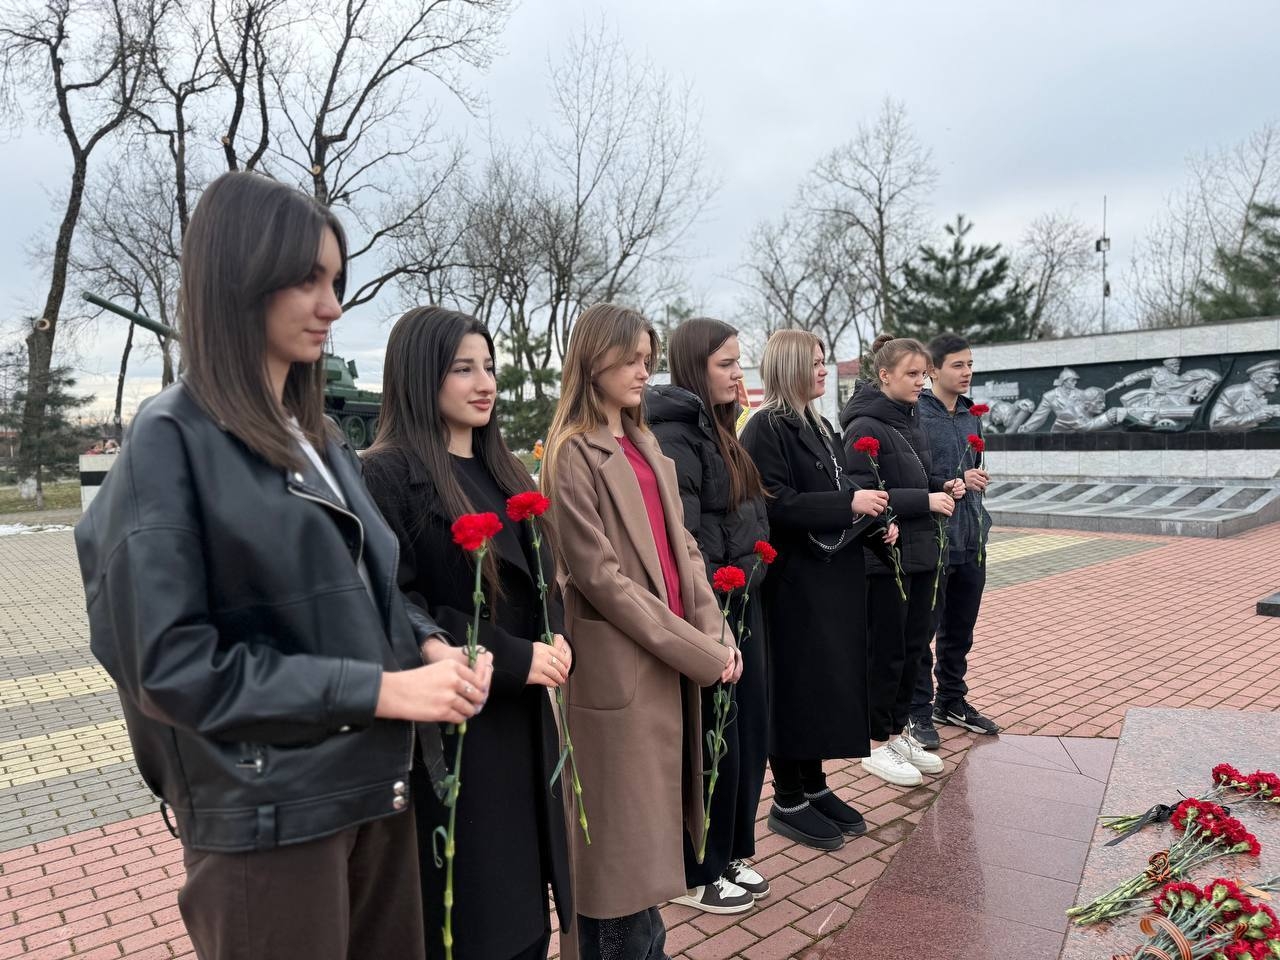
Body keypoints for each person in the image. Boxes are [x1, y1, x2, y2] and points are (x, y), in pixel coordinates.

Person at [73, 171, 492, 960]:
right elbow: (170, 666)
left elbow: (371, 589)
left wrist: (427, 644)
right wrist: (382, 689)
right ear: (240, 276)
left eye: (335, 281)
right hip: (269, 825)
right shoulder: (171, 440)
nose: (331, 306)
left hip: (373, 795)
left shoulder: (321, 441)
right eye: (307, 280)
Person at [362, 306, 574, 960]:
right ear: (420, 374)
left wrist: (558, 636)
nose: (485, 384)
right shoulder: (386, 474)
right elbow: (393, 601)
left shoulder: (503, 467)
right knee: (480, 920)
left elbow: (541, 575)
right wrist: (512, 657)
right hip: (460, 727)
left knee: (528, 913)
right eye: (463, 369)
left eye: (488, 367)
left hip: (526, 723)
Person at [543, 303, 742, 960]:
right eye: (629, 358)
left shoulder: (646, 444)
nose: (642, 371)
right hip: (620, 672)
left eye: (647, 359)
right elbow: (601, 579)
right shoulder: (572, 453)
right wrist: (699, 651)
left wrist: (717, 631)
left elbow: (685, 550)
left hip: (667, 661)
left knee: (650, 853)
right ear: (592, 358)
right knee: (616, 862)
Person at [739, 330, 898, 851]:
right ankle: (787, 799)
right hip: (794, 584)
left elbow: (838, 487)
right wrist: (848, 505)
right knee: (796, 689)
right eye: (814, 362)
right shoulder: (766, 426)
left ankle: (813, 785)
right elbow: (773, 502)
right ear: (789, 367)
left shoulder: (819, 423)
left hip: (828, 579)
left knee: (820, 686)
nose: (824, 369)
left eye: (824, 360)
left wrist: (875, 521)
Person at [647, 317, 770, 915]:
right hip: (711, 609)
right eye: (726, 363)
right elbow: (686, 537)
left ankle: (730, 851)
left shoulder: (722, 429)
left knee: (745, 736)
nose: (738, 374)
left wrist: (755, 563)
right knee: (712, 743)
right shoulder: (676, 437)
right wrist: (726, 584)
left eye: (740, 361)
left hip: (744, 599)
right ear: (696, 366)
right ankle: (698, 868)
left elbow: (750, 512)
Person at [841, 334, 963, 787]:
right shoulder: (864, 427)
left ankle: (897, 734)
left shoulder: (909, 420)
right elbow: (865, 494)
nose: (920, 382)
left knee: (913, 651)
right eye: (911, 374)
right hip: (887, 558)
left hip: (920, 554)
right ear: (884, 375)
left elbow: (915, 476)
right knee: (887, 655)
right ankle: (876, 744)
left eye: (923, 374)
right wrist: (926, 500)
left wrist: (943, 485)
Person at [909, 333, 1002, 751]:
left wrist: (974, 481)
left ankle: (951, 700)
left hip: (971, 537)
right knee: (923, 630)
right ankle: (918, 710)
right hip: (934, 539)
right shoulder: (917, 414)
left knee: (960, 630)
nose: (967, 373)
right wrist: (953, 480)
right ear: (932, 370)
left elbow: (973, 469)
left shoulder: (970, 415)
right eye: (958, 365)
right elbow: (910, 477)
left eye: (970, 364)